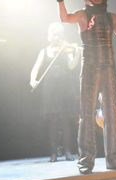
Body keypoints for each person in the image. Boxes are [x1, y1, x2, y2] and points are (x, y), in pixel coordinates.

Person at [52, 0, 116, 174]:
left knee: (111, 113)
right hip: (90, 68)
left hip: (109, 67)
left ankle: (114, 159)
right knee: (87, 113)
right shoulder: (83, 15)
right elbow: (65, 18)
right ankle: (86, 160)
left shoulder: (112, 17)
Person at [30, 22, 80, 162]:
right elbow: (36, 67)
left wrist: (77, 53)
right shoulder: (44, 51)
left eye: (59, 34)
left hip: (65, 88)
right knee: (53, 122)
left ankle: (68, 151)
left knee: (65, 121)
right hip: (50, 89)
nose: (56, 37)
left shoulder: (65, 49)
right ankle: (53, 153)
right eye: (54, 34)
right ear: (49, 36)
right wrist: (33, 80)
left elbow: (71, 66)